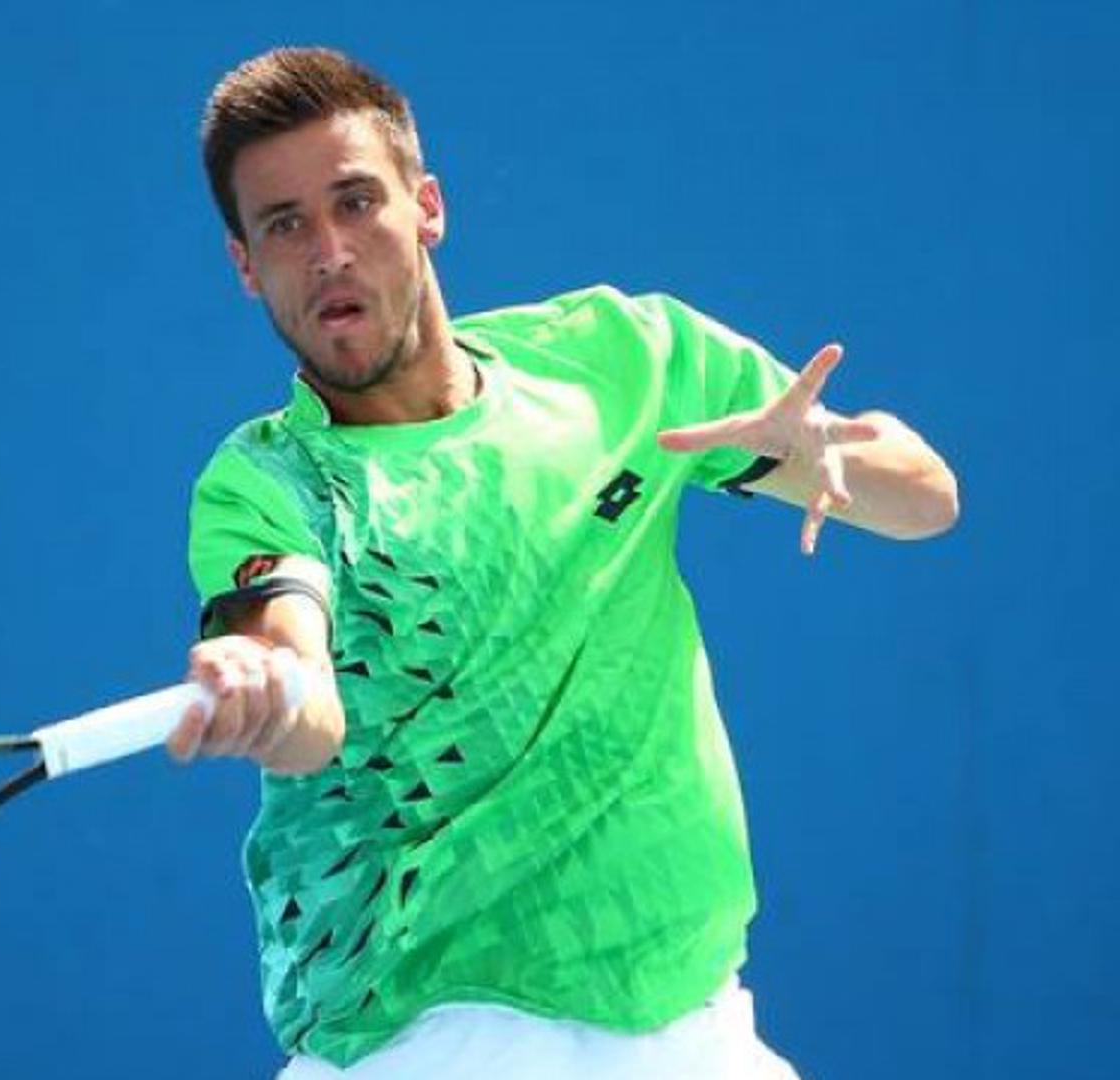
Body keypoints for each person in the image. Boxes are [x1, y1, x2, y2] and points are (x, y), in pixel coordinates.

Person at [165, 46, 958, 1079]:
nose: (328, 251)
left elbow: (929, 501)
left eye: (356, 203)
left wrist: (823, 455)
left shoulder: (626, 359)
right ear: (245, 265)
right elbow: (303, 690)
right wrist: (271, 686)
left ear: (427, 206)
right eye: (284, 225)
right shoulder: (269, 483)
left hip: (694, 1019)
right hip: (434, 1036)